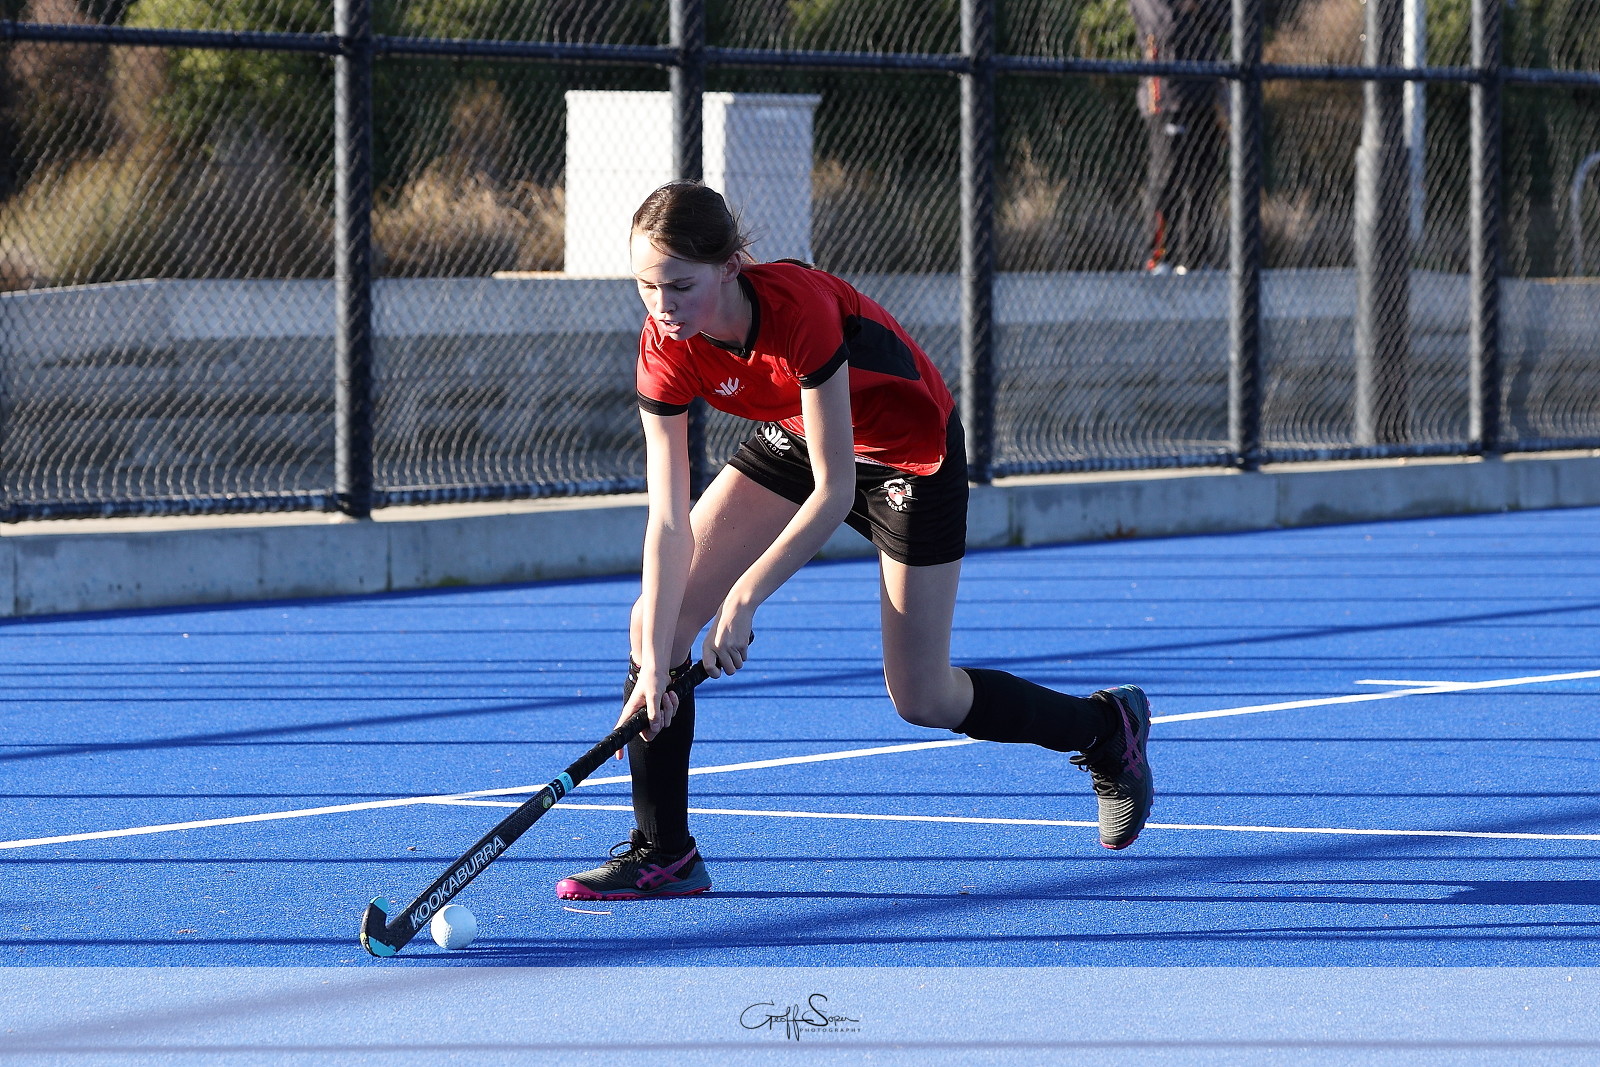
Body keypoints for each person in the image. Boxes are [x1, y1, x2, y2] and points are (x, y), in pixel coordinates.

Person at [554, 181, 1155, 901]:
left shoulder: (797, 310)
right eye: (646, 286)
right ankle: (665, 852)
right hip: (800, 436)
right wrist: (655, 668)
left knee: (923, 696)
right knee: (658, 620)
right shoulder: (664, 346)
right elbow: (667, 520)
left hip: (909, 454)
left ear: (730, 267)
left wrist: (744, 598)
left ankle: (1104, 728)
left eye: (680, 286)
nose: (662, 306)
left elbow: (834, 490)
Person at [1130, 0, 1230, 274]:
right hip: (1167, 97)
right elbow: (1167, 27)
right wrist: (1198, 11)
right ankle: (1159, 258)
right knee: (1167, 178)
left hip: (1205, 97)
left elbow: (1227, 19)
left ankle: (1196, 260)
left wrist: (1198, 7)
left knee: (1203, 181)